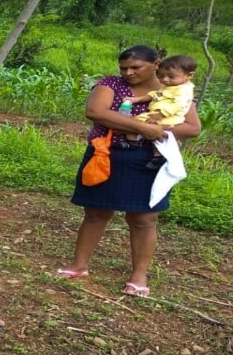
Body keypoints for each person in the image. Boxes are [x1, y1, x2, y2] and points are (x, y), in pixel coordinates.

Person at [55, 46, 202, 297]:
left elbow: (192, 128)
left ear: (156, 64)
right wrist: (142, 128)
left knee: (144, 219)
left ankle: (139, 275)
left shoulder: (175, 90)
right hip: (106, 155)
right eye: (124, 68)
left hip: (148, 160)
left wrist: (154, 130)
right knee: (96, 213)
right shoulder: (111, 84)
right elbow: (96, 112)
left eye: (136, 67)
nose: (128, 73)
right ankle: (79, 266)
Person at [131, 54, 196, 169]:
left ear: (189, 75)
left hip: (168, 117)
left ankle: (158, 156)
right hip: (158, 114)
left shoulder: (184, 90)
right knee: (134, 122)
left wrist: (160, 115)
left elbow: (179, 104)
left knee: (145, 127)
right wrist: (138, 99)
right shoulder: (170, 86)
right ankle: (133, 143)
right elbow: (155, 94)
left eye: (171, 76)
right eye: (161, 76)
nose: (165, 79)